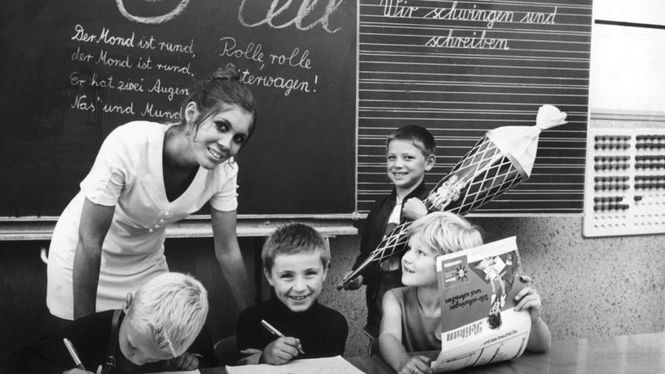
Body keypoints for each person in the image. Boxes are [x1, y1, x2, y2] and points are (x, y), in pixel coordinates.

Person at [46, 63, 257, 323]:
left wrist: (254, 321)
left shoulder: (224, 171)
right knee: (85, 351)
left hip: (146, 264)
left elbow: (227, 249)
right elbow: (90, 241)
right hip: (83, 258)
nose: (227, 145)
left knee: (160, 348)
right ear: (192, 113)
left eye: (239, 138)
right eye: (221, 126)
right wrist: (87, 331)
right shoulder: (129, 143)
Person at [379, 212, 552, 374]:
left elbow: (541, 346)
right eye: (409, 249)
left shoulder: (481, 298)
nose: (407, 258)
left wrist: (533, 320)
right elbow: (388, 337)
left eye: (420, 253)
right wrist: (402, 361)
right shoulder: (395, 299)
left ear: (451, 264)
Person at [8, 272, 215, 374]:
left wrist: (196, 362)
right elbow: (16, 364)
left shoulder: (188, 331)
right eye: (132, 346)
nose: (140, 361)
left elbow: (213, 364)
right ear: (128, 304)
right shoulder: (90, 333)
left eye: (155, 359)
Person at [342, 125, 436, 337]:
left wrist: (426, 219)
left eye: (408, 158)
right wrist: (360, 275)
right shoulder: (378, 208)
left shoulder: (437, 209)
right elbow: (368, 253)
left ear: (428, 163)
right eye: (391, 158)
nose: (397, 165)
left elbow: (452, 254)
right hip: (378, 319)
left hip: (419, 325)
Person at [235, 223, 348, 365]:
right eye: (287, 275)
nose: (299, 287)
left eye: (310, 273)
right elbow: (241, 367)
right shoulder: (251, 320)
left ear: (324, 272)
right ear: (269, 276)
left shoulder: (335, 324)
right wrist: (264, 358)